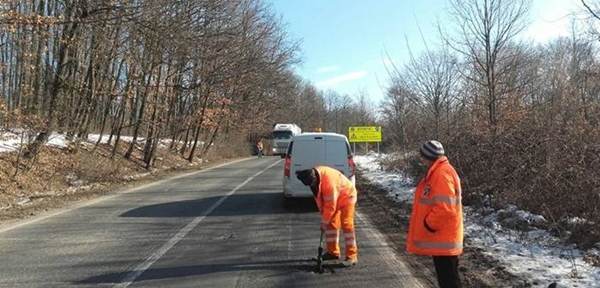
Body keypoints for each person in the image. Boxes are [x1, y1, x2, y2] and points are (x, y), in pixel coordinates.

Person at [406, 140, 463, 288]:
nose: (421, 159)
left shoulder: (441, 174)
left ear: (428, 156)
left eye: (422, 156)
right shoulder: (439, 171)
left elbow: (445, 207)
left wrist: (429, 224)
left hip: (444, 237)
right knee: (447, 280)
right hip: (443, 237)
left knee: (449, 282)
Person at [296, 166, 358, 265]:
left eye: (312, 184)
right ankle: (333, 252)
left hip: (347, 195)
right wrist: (325, 220)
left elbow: (330, 206)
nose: (312, 185)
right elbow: (321, 202)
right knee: (331, 224)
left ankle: (352, 256)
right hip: (336, 197)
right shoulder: (314, 177)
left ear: (315, 178)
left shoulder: (328, 182)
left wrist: (324, 222)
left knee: (347, 225)